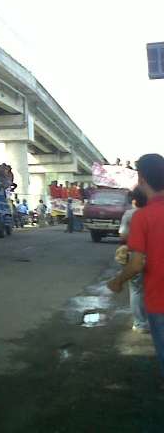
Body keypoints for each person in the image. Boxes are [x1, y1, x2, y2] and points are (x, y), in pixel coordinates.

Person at [108, 154, 164, 379]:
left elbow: (136, 264)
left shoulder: (143, 217)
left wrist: (117, 281)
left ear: (141, 179)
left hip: (159, 300)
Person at [117, 187, 149, 332]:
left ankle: (140, 324)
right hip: (154, 255)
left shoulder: (129, 214)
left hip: (135, 255)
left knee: (136, 290)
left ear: (134, 200)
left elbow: (123, 235)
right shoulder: (154, 212)